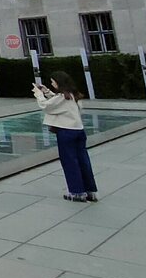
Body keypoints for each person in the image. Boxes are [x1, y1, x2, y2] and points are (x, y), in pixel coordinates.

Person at [32, 71, 97, 202]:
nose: (51, 83)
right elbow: (59, 102)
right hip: (79, 131)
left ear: (58, 82)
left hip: (66, 132)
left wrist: (39, 94)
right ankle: (90, 191)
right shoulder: (73, 95)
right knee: (83, 160)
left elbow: (47, 106)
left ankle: (77, 192)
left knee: (70, 162)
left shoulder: (62, 97)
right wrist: (47, 92)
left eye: (52, 81)